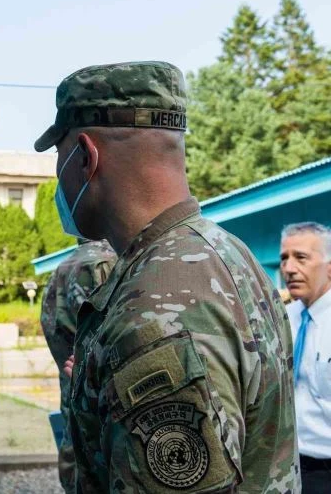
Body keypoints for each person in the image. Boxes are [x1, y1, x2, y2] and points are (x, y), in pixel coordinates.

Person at [37, 61, 299, 492]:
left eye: (59, 157)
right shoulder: (229, 254)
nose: (58, 176)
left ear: (86, 156)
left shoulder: (153, 312)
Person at [280, 222, 331, 494]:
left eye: (300, 257)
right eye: (284, 258)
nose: (288, 268)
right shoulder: (284, 319)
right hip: (289, 469)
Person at [39, 239, 116, 493]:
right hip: (105, 393)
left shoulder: (59, 270)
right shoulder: (107, 262)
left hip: (71, 383)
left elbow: (51, 328)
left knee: (74, 447)